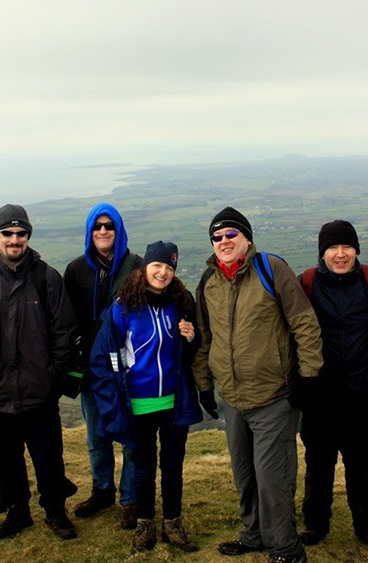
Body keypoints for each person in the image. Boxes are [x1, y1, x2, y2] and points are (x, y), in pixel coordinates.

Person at [193, 206, 323, 563]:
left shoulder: (270, 268)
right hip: (233, 397)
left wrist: (309, 377)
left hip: (273, 397)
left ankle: (285, 547)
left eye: (230, 234)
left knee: (273, 478)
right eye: (217, 237)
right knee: (245, 474)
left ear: (246, 238)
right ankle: (252, 536)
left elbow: (304, 323)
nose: (223, 242)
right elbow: (205, 338)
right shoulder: (209, 281)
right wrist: (205, 384)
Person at [0, 204, 78, 541]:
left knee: (48, 458)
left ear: (28, 237)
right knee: (4, 460)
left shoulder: (46, 278)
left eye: (20, 233)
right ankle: (17, 513)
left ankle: (55, 511)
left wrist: (51, 378)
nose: (14, 239)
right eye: (7, 233)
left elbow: (64, 333)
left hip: (39, 393)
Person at [88, 241, 204, 553]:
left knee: (173, 465)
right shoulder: (122, 309)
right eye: (157, 265)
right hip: (137, 404)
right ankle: (144, 525)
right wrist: (113, 401)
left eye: (169, 267)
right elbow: (102, 360)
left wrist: (192, 337)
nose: (163, 272)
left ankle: (173, 524)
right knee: (142, 468)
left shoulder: (180, 303)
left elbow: (192, 351)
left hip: (174, 403)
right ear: (145, 268)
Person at [297, 220, 368, 550]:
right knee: (318, 465)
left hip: (362, 394)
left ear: (356, 250)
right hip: (319, 396)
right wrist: (300, 387)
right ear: (322, 252)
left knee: (362, 467)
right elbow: (291, 336)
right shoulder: (308, 284)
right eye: (333, 248)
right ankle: (315, 525)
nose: (340, 254)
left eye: (347, 247)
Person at [64, 203, 141, 529]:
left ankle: (131, 499)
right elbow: (66, 322)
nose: (103, 231)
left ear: (119, 229)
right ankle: (102, 491)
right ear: (89, 231)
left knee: (132, 437)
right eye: (97, 226)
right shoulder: (76, 270)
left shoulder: (137, 267)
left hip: (130, 370)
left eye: (109, 226)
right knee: (97, 436)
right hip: (93, 369)